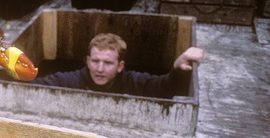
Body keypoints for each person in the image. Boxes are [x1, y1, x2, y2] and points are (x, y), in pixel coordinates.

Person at [32, 33, 204, 99]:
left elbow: (166, 87)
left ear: (120, 66)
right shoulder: (72, 79)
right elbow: (34, 87)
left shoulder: (133, 81)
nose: (99, 69)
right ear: (87, 61)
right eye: (95, 61)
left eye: (108, 63)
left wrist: (177, 67)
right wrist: (7, 71)